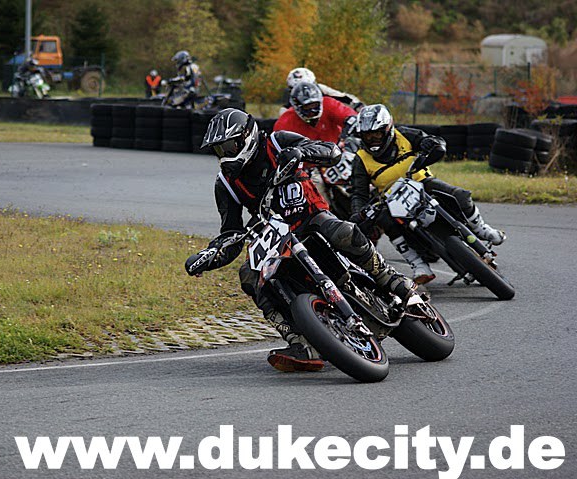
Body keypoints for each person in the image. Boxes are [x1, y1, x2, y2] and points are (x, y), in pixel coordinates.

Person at [185, 108, 416, 373]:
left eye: (228, 146)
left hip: (311, 216)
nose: (224, 155)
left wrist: (301, 153)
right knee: (249, 275)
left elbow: (331, 151)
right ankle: (299, 341)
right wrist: (211, 255)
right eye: (219, 150)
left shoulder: (276, 141)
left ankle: (388, 277)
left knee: (341, 231)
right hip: (275, 237)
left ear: (246, 136)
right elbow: (231, 232)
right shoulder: (225, 183)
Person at [350, 104, 506, 284]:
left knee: (460, 195)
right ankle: (418, 265)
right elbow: (359, 192)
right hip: (391, 200)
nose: (373, 140)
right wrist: (358, 213)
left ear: (387, 129)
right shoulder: (360, 159)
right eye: (368, 136)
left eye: (377, 134)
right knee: (384, 220)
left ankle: (482, 229)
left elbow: (435, 141)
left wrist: (431, 143)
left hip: (422, 182)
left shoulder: (405, 135)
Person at [274, 81, 358, 214]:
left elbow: (352, 118)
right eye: (307, 108)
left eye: (315, 106)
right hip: (310, 165)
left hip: (338, 151)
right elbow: (279, 151)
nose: (312, 111)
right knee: (317, 198)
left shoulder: (329, 103)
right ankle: (329, 216)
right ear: (296, 107)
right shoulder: (284, 123)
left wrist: (345, 135)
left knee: (360, 163)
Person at [279, 67, 363, 116]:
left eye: (309, 87)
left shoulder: (322, 89)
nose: (306, 94)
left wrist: (358, 107)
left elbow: (343, 97)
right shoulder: (285, 110)